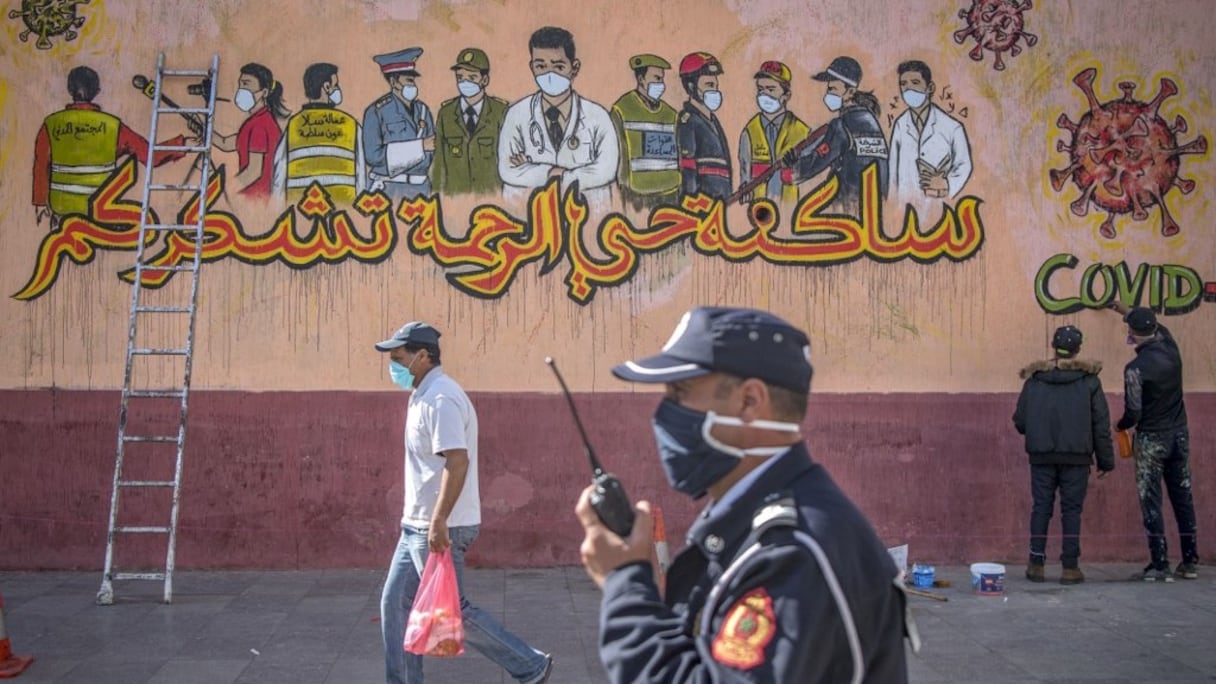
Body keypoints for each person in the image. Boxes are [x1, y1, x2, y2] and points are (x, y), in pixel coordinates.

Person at [577, 306, 912, 683]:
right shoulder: (762, 513)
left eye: (680, 392)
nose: (663, 414)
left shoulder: (794, 548)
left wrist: (625, 584)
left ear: (750, 401)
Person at [375, 321, 553, 684]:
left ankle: (531, 665)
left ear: (422, 356)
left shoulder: (441, 398)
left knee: (452, 610)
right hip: (417, 524)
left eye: (398, 357)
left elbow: (457, 461)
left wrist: (439, 521)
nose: (392, 365)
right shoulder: (422, 393)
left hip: (443, 525)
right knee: (394, 605)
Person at [1012, 325, 1115, 585]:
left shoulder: (1034, 380)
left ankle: (1036, 564)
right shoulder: (1090, 381)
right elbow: (1100, 424)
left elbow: (1020, 421)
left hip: (1041, 455)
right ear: (1078, 349)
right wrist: (1106, 460)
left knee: (1041, 507)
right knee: (1071, 510)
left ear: (1053, 347)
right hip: (1077, 457)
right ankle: (1070, 567)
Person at [33, 65, 191, 225]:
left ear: (69, 89)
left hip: (62, 214)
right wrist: (180, 144)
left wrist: (39, 202)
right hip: (101, 213)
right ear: (97, 91)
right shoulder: (113, 127)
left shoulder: (51, 124)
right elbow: (150, 156)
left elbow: (41, 166)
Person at [1110, 303, 1199, 582]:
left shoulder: (1135, 368)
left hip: (1151, 439)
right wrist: (1124, 310)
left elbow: (1133, 411)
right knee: (1182, 497)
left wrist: (1121, 426)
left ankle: (1160, 563)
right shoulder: (1172, 349)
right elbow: (1155, 325)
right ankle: (1190, 561)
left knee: (1151, 501)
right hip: (1179, 434)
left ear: (1131, 334)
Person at [498, 26, 619, 212]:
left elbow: (606, 169)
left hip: (588, 216)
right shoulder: (517, 114)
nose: (549, 74)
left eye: (558, 66)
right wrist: (563, 172)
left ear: (574, 68)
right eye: (541, 66)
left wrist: (549, 174)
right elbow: (508, 170)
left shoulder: (598, 116)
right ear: (532, 67)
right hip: (532, 218)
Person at [784, 56, 888, 217]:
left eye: (832, 89)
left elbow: (816, 162)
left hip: (846, 206)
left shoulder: (841, 125)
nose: (828, 94)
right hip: (875, 211)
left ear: (851, 92)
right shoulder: (871, 122)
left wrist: (792, 168)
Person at [271, 62, 367, 204]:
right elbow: (361, 178)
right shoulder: (350, 124)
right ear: (327, 87)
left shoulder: (294, 125)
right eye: (336, 85)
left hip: (301, 209)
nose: (338, 89)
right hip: (342, 211)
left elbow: (279, 177)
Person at [887, 60, 972, 207]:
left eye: (915, 83)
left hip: (938, 207)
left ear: (930, 88)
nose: (908, 89)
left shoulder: (952, 127)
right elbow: (892, 172)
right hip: (905, 206)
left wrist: (947, 183)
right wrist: (892, 206)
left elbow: (964, 165)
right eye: (903, 84)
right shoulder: (901, 124)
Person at [431, 48, 508, 196]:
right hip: (454, 198)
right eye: (460, 77)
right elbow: (439, 163)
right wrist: (437, 196)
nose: (465, 82)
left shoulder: (501, 112)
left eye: (472, 78)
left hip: (490, 197)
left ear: (485, 80)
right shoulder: (446, 113)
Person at [610, 54, 681, 211]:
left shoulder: (671, 114)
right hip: (637, 196)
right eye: (656, 78)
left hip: (670, 192)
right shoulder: (622, 109)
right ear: (641, 79)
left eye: (662, 79)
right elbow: (617, 153)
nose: (660, 84)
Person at [364, 47, 436, 201]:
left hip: (420, 189)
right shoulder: (377, 111)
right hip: (389, 189)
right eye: (408, 80)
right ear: (393, 81)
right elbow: (373, 156)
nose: (413, 85)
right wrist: (419, 147)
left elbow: (432, 152)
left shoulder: (423, 110)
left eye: (413, 80)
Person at [211, 62, 288, 199]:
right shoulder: (257, 121)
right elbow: (225, 143)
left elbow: (253, 172)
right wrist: (203, 130)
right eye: (240, 84)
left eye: (246, 84)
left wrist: (226, 192)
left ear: (264, 92)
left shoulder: (260, 125)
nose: (241, 89)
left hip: (254, 198)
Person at [738, 60, 810, 205]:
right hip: (759, 210)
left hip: (790, 207)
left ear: (786, 95)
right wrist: (744, 188)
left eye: (770, 90)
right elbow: (745, 170)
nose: (764, 95)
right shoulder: (750, 130)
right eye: (760, 89)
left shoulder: (801, 131)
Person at [675, 52, 732, 201]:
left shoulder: (713, 120)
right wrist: (691, 203)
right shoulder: (688, 120)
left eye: (715, 85)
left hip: (720, 200)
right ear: (691, 86)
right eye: (709, 85)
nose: (714, 90)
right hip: (702, 203)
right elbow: (688, 168)